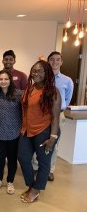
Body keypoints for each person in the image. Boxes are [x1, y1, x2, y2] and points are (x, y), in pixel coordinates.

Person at [18, 60, 61, 203]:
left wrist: (53, 138)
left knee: (43, 163)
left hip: (45, 132)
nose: (35, 73)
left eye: (40, 71)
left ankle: (36, 191)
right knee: (23, 158)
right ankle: (32, 186)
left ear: (46, 73)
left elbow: (55, 117)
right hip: (27, 131)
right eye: (34, 71)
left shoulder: (52, 91)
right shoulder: (29, 89)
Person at [32, 51, 74, 182]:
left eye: (57, 59)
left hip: (58, 115)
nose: (55, 62)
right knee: (37, 141)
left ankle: (50, 170)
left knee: (53, 143)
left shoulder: (67, 81)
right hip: (41, 116)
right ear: (48, 62)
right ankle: (36, 167)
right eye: (52, 60)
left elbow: (67, 98)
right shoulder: (41, 78)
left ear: (61, 62)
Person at [0, 70, 22, 194]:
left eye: (6, 79)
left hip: (14, 132)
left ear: (10, 80)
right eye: (0, 79)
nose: (3, 81)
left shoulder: (18, 94)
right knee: (0, 159)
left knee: (12, 159)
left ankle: (10, 181)